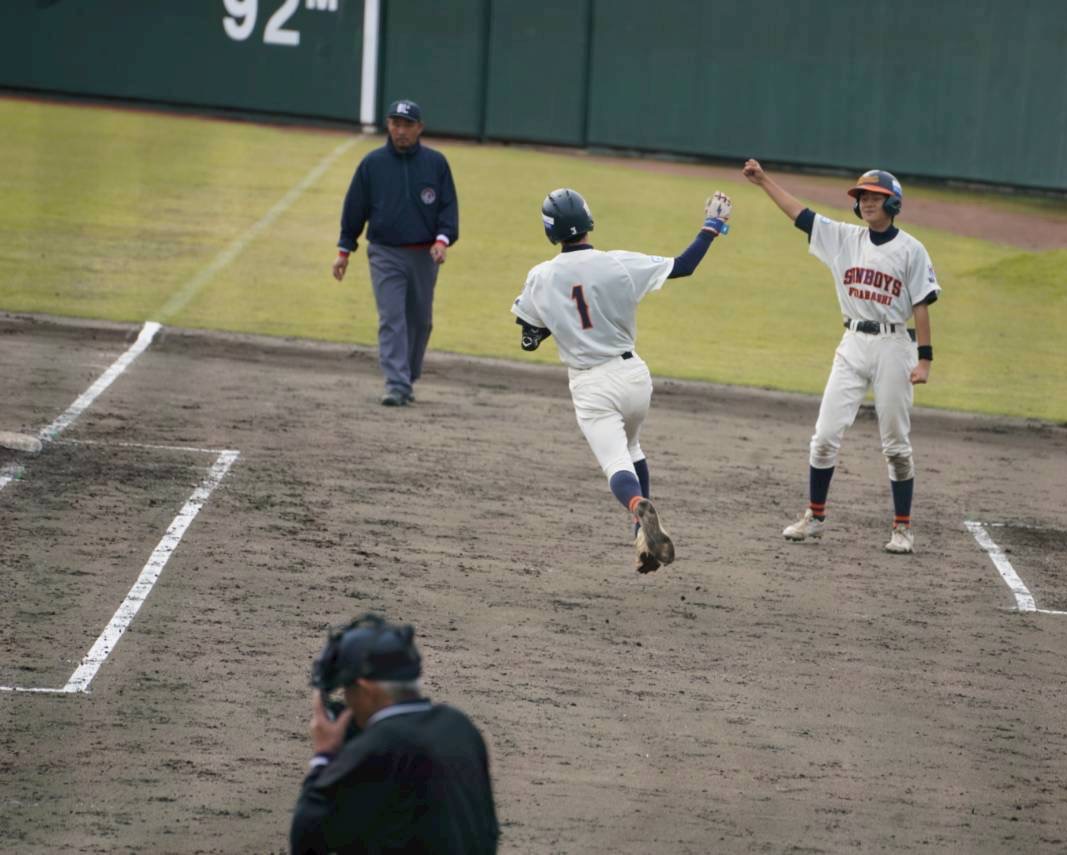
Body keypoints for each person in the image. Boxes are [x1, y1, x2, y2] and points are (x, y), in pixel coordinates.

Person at [511, 188, 731, 574]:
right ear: (588, 220)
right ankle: (642, 536)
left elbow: (529, 336)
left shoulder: (540, 277)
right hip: (634, 378)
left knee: (616, 464)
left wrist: (551, 327)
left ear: (551, 231)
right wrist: (712, 226)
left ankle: (637, 507)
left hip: (592, 386)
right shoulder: (618, 263)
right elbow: (683, 266)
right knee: (632, 446)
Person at [741, 160, 939, 554]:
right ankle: (814, 517)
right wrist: (764, 181)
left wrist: (925, 360)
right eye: (862, 196)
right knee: (824, 438)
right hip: (852, 343)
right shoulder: (844, 238)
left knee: (896, 445)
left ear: (893, 203)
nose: (867, 202)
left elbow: (921, 305)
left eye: (875, 197)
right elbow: (800, 215)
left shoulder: (911, 250)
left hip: (894, 346)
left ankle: (902, 528)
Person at [290, 613, 499, 854]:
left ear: (366, 689)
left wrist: (324, 756)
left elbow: (307, 837)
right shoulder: (459, 726)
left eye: (347, 688)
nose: (346, 700)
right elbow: (487, 830)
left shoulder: (379, 745)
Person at [333, 99, 459, 407]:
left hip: (424, 255)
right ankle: (396, 383)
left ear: (419, 128)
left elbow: (448, 208)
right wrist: (344, 250)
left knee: (420, 321)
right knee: (392, 317)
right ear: (388, 125)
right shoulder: (372, 164)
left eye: (407, 125)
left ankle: (407, 376)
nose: (400, 131)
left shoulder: (436, 163)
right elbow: (354, 208)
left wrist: (442, 240)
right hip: (384, 253)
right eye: (395, 124)